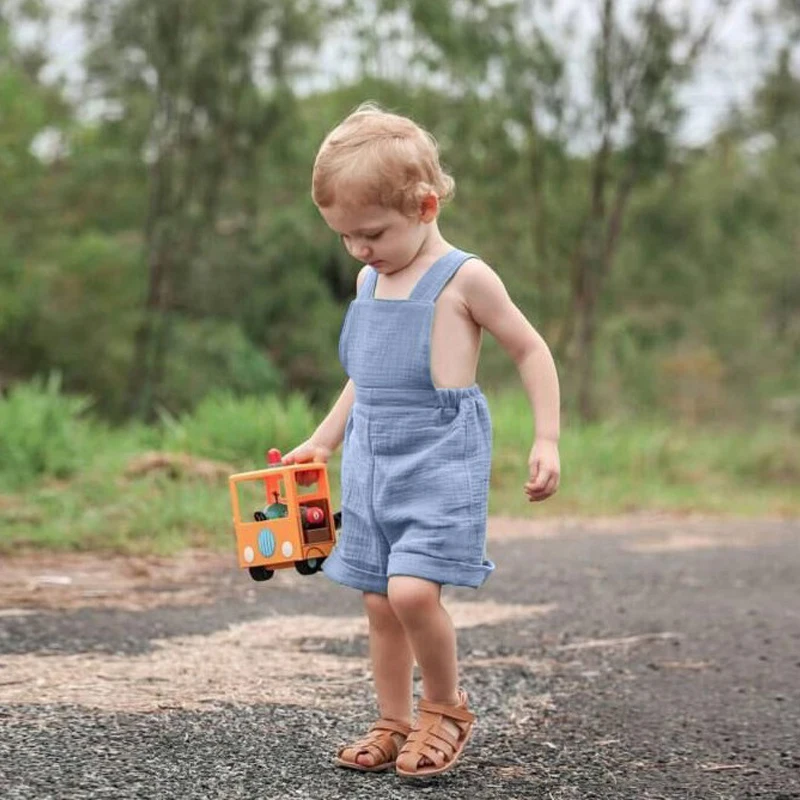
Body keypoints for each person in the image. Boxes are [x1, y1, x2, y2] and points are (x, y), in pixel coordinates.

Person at [283, 102, 561, 779]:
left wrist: (546, 436)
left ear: (426, 205)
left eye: (371, 232)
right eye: (345, 236)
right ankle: (393, 718)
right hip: (372, 460)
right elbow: (365, 376)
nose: (359, 248)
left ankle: (445, 707)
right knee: (378, 599)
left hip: (440, 459)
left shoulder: (466, 278)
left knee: (412, 593)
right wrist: (323, 440)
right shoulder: (368, 278)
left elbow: (529, 349)